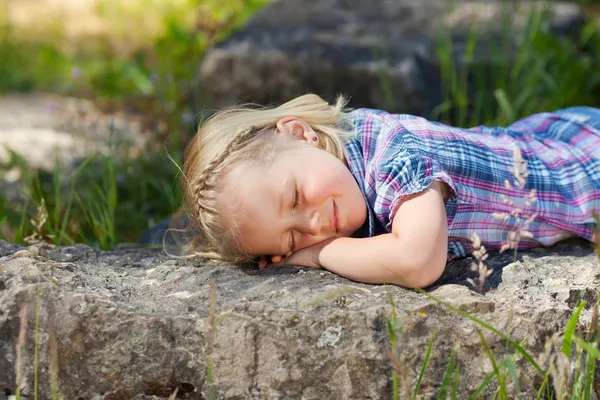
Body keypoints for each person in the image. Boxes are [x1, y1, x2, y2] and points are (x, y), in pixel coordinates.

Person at [174, 93, 600, 288]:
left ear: (303, 134)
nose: (315, 224)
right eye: (291, 238)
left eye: (296, 198)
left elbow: (417, 261)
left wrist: (316, 255)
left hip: (584, 164)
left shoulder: (394, 150)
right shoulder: (343, 186)